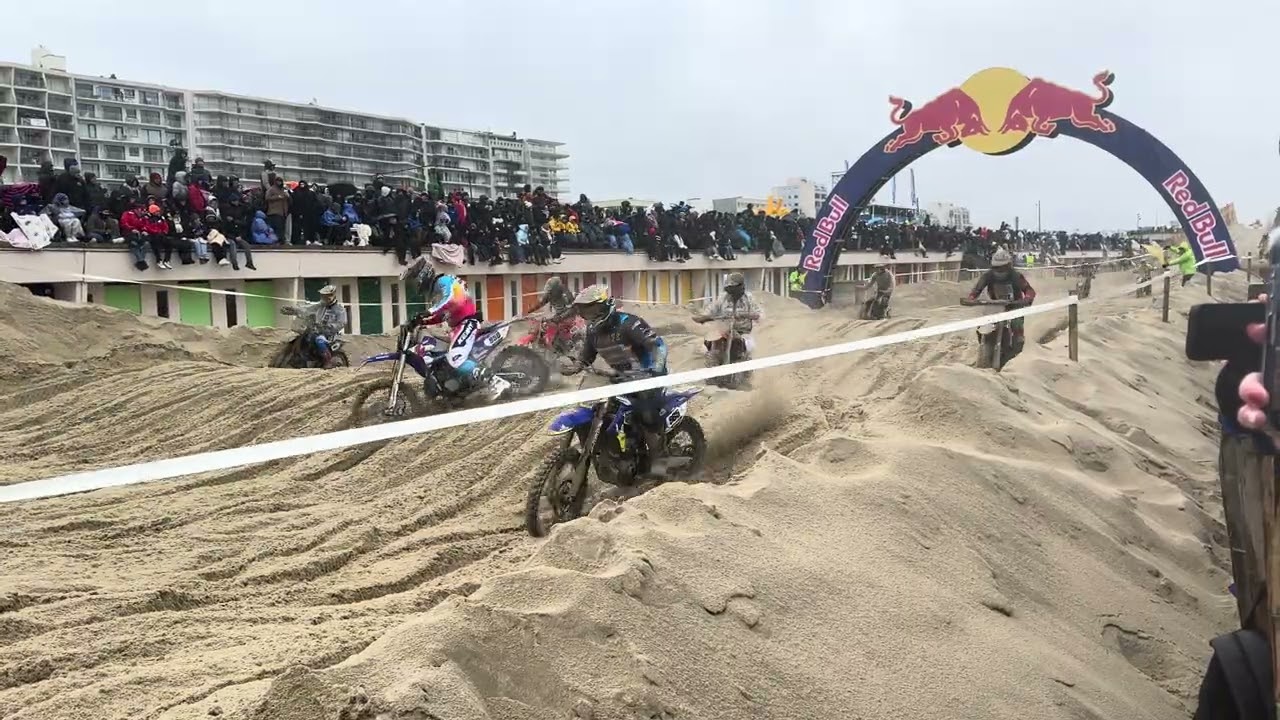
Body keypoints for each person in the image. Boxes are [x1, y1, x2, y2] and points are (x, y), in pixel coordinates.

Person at [560, 285, 672, 475]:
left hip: (647, 377)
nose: (590, 315)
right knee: (604, 413)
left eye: (593, 309)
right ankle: (616, 453)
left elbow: (657, 345)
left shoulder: (629, 323)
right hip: (620, 379)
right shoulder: (593, 331)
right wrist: (575, 366)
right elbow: (586, 356)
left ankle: (659, 461)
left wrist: (655, 368)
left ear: (605, 305)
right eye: (585, 311)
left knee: (645, 414)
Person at [400, 257, 510, 401]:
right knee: (444, 358)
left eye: (414, 281)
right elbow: (443, 315)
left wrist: (428, 312)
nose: (414, 286)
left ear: (422, 276)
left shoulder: (444, 281)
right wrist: (422, 321)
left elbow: (453, 298)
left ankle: (496, 381)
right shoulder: (436, 292)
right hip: (458, 327)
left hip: (467, 323)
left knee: (455, 358)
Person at [964, 248, 1037, 362]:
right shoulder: (988, 276)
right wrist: (971, 299)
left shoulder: (1016, 276)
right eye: (997, 267)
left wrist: (1027, 299)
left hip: (1014, 305)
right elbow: (977, 290)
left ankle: (1017, 354)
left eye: (1003, 267)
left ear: (1009, 266)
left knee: (1017, 329)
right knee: (982, 325)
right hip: (994, 305)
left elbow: (1029, 290)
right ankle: (984, 343)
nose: (1000, 270)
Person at [691, 272, 763, 368]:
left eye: (734, 286)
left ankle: (745, 371)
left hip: (743, 332)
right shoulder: (723, 298)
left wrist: (749, 315)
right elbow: (712, 309)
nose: (731, 290)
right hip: (724, 331)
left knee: (750, 348)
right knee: (702, 348)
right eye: (730, 286)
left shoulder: (748, 298)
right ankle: (709, 371)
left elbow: (760, 314)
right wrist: (703, 317)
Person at [279, 284, 347, 368]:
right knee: (306, 337)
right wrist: (293, 310)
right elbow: (307, 309)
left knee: (319, 340)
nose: (324, 298)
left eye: (326, 296)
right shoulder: (320, 305)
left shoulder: (339, 309)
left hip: (330, 334)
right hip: (317, 329)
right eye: (323, 296)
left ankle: (328, 360)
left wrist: (330, 326)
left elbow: (342, 322)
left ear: (332, 295)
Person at [525, 276, 579, 352]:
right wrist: (528, 312)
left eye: (551, 290)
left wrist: (560, 317)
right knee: (541, 325)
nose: (549, 293)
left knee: (552, 328)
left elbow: (572, 309)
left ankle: (556, 347)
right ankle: (541, 345)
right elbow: (541, 303)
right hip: (558, 316)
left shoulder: (565, 294)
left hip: (568, 317)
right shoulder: (549, 294)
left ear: (556, 289)